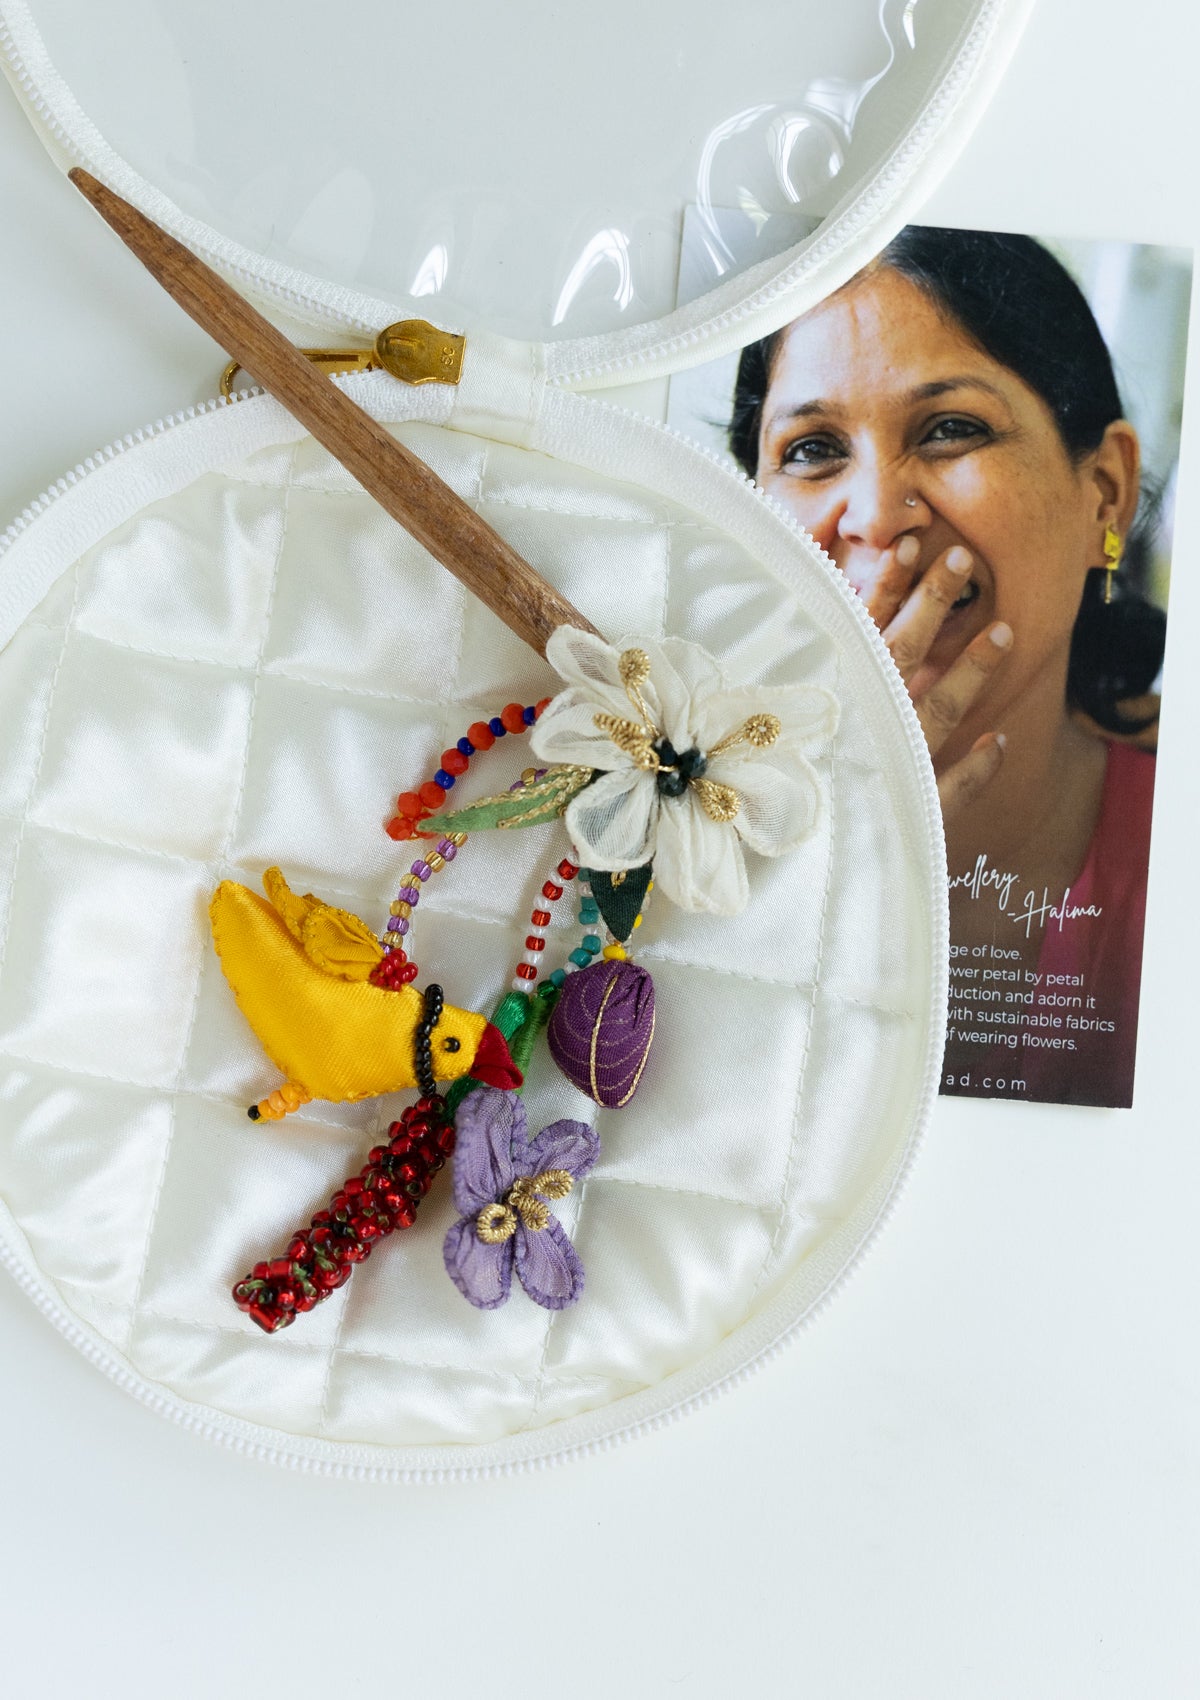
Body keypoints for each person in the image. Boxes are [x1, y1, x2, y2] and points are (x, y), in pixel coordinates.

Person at [728, 227, 1165, 1107]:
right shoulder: (666, 825)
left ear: (1105, 495)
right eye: (811, 448)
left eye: (951, 429)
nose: (875, 516)